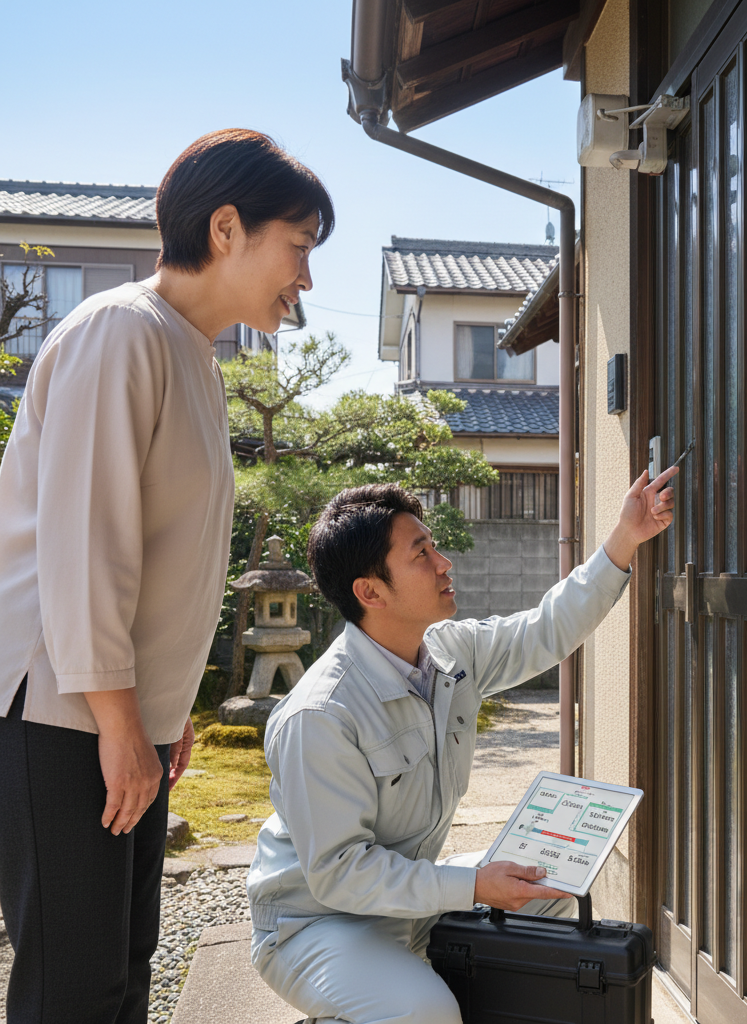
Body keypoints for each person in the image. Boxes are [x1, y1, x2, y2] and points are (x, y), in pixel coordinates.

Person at [0, 128, 333, 1024]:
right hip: (58, 714)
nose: (306, 278)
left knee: (120, 975)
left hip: (112, 715)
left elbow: (164, 560)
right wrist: (120, 720)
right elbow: (86, 544)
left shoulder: (192, 354)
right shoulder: (119, 331)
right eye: (298, 246)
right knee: (73, 989)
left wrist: (161, 708)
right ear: (226, 228)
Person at [247, 467, 677, 1024]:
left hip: (409, 899)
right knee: (424, 1012)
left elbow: (544, 628)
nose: (444, 563)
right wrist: (473, 885)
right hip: (317, 923)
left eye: (433, 547)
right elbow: (340, 873)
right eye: (421, 554)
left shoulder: (449, 653)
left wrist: (626, 536)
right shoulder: (320, 715)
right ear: (370, 591)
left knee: (547, 883)